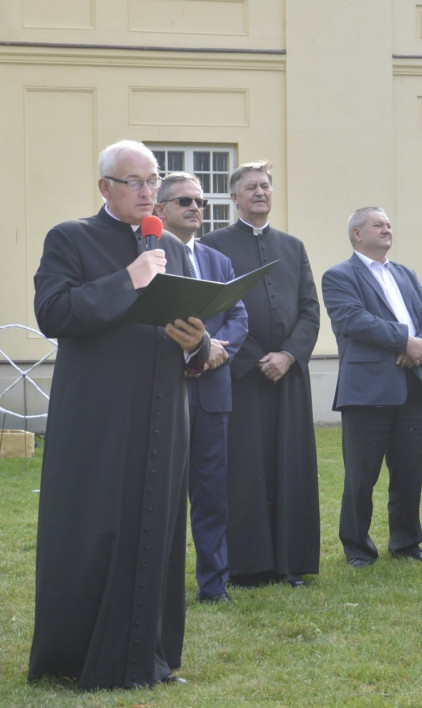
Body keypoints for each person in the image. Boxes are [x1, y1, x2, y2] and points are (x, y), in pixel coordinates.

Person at [28, 140, 210, 689]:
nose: (149, 191)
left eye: (154, 180)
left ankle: (151, 657)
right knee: (98, 527)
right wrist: (128, 278)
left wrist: (198, 344)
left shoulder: (171, 246)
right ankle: (80, 656)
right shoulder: (71, 238)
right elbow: (53, 313)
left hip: (163, 412)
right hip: (99, 416)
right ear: (105, 187)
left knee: (158, 527)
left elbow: (190, 327)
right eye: (136, 181)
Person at [200, 161, 321, 588]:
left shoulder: (293, 246)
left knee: (291, 467)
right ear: (234, 197)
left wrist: (288, 355)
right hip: (240, 377)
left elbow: (310, 310)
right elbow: (216, 310)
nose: (260, 192)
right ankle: (248, 566)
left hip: (289, 377)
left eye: (265, 186)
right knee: (245, 470)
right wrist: (255, 358)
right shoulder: (213, 246)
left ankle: (291, 562)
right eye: (251, 187)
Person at [322, 207, 422, 568]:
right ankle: (357, 547)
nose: (387, 229)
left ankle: (406, 543)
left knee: (408, 471)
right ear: (357, 234)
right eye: (378, 225)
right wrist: (405, 341)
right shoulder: (339, 276)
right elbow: (353, 320)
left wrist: (421, 346)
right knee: (361, 475)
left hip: (411, 384)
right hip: (367, 390)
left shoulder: (405, 273)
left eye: (389, 224)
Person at [155, 172, 249, 603]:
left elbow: (239, 317)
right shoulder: (149, 257)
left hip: (212, 393)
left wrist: (215, 353)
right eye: (185, 201)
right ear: (160, 209)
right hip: (164, 391)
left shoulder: (218, 261)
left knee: (211, 495)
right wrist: (199, 348)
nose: (196, 207)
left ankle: (214, 585)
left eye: (200, 202)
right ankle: (161, 584)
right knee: (161, 494)